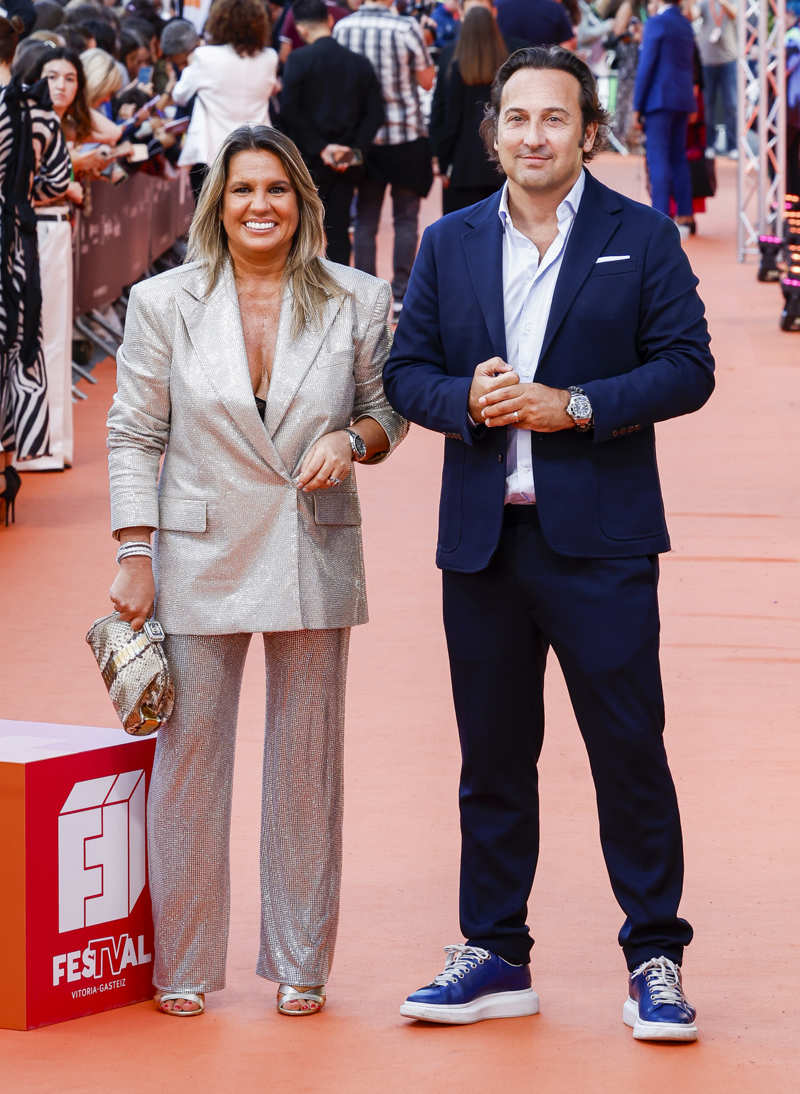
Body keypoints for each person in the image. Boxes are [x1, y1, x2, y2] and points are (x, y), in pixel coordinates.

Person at [383, 45, 714, 1041]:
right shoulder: (447, 241)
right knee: (490, 757)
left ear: (587, 131)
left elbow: (687, 367)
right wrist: (465, 403)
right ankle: (493, 952)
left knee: (627, 751)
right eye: (516, 119)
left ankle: (653, 952)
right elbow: (407, 374)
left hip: (601, 542)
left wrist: (573, 406)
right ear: (493, 132)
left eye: (554, 119)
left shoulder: (640, 236)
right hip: (481, 544)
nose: (533, 135)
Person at [106, 124, 407, 1018]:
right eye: (242, 190)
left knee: (307, 763)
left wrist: (352, 440)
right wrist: (132, 549)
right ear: (216, 203)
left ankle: (302, 960)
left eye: (276, 189)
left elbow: (391, 411)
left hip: (315, 543)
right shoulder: (164, 301)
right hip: (197, 548)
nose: (260, 205)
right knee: (189, 761)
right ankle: (184, 962)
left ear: (303, 203)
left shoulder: (359, 298)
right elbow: (134, 430)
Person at [1, 1, 70, 523]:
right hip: (17, 253)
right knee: (12, 354)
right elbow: (56, 182)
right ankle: (7, 470)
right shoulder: (37, 110)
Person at [333, 0, 435, 320]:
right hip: (405, 134)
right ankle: (402, 292)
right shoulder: (406, 28)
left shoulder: (342, 28)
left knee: (365, 217)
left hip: (364, 138)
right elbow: (427, 81)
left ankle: (365, 294)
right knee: (406, 218)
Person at [21, 46, 94, 472]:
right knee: (39, 334)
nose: (61, 85)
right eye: (52, 76)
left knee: (54, 336)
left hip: (55, 229)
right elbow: (23, 184)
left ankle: (52, 442)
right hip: (35, 230)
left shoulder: (59, 121)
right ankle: (38, 444)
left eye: (70, 77)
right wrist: (68, 179)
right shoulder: (29, 121)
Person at [279, 0, 384, 265]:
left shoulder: (297, 61)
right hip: (347, 164)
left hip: (308, 161)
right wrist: (350, 152)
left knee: (302, 231)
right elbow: (375, 114)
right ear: (330, 21)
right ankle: (341, 295)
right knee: (339, 230)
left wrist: (320, 148)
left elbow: (289, 112)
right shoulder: (359, 63)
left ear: (301, 29)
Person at [171, 0, 278, 200]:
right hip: (256, 150)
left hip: (210, 153)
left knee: (207, 223)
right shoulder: (269, 57)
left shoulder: (204, 56)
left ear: (217, 21)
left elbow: (180, 96)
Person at [431, 5, 508, 214]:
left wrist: (443, 160)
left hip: (462, 166)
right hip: (500, 163)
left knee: (459, 235)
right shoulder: (506, 66)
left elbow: (450, 120)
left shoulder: (457, 67)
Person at [633, 0, 695, 236]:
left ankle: (659, 216)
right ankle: (685, 214)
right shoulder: (685, 24)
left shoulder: (657, 23)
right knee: (678, 156)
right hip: (682, 98)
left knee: (657, 157)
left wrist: (637, 105)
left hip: (658, 99)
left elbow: (647, 65)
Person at [694, 0, 737, 158]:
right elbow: (694, 15)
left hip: (729, 59)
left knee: (731, 104)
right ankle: (709, 144)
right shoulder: (704, 3)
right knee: (708, 105)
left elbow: (735, 14)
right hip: (707, 60)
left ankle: (732, 145)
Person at [495, 0, 576, 49]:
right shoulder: (553, 7)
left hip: (506, 70)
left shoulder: (495, 7)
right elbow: (568, 45)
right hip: (546, 70)